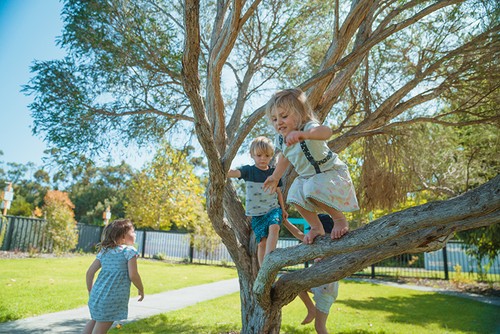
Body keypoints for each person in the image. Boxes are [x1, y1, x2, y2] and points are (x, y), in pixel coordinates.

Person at [263, 88, 359, 244]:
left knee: (310, 188)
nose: (278, 122)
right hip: (308, 178)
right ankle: (316, 227)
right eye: (274, 119)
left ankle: (339, 218)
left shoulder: (308, 127)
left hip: (330, 173)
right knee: (293, 194)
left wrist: (305, 135)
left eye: (284, 116)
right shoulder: (280, 139)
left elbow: (326, 132)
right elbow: (284, 157)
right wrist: (275, 177)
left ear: (300, 114)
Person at [227, 136, 288, 267]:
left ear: (271, 156)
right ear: (252, 155)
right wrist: (220, 169)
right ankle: (263, 269)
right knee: (261, 243)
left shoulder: (274, 173)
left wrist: (283, 209)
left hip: (272, 209)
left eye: (266, 155)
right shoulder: (249, 171)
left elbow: (278, 192)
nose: (263, 159)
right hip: (257, 214)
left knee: (275, 227)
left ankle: (269, 258)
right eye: (259, 155)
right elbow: (233, 173)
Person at [83, 219, 144, 334]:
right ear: (122, 237)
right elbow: (133, 275)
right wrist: (141, 288)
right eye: (132, 232)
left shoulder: (105, 251)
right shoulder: (129, 251)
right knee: (100, 330)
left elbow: (89, 273)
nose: (135, 234)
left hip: (97, 295)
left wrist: (91, 292)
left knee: (94, 321)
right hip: (111, 298)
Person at [283, 214, 339, 334]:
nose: (310, 233)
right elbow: (298, 234)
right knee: (296, 284)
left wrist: (324, 258)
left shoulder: (333, 243)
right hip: (318, 285)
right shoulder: (315, 242)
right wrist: (285, 222)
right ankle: (311, 309)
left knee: (320, 327)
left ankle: (312, 310)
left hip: (326, 290)